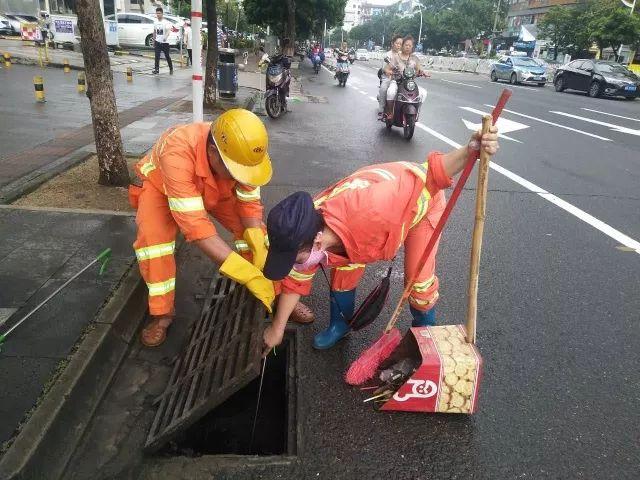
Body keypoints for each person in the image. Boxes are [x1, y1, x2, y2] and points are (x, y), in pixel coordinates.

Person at [260, 126, 500, 353]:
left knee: (419, 284)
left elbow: (432, 174)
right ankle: (340, 326)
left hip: (419, 207)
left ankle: (423, 343)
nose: (295, 264)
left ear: (318, 242)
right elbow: (297, 279)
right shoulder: (305, 221)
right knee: (344, 271)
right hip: (357, 229)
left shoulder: (377, 208)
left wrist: (470, 150)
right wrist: (276, 329)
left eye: (296, 258)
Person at [128, 110, 275, 347]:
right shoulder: (177, 153)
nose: (242, 177)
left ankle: (275, 291)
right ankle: (162, 315)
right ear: (213, 152)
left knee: (260, 236)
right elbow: (197, 228)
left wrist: (256, 238)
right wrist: (245, 274)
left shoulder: (243, 150)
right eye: (237, 172)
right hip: (163, 188)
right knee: (153, 244)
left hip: (215, 183)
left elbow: (249, 203)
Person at [384, 35, 428, 119]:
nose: (408, 47)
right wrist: (390, 72)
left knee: (423, 93)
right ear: (402, 46)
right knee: (391, 92)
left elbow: (419, 69)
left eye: (410, 45)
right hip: (397, 82)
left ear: (412, 47)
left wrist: (423, 73)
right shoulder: (396, 58)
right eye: (406, 45)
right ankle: (390, 112)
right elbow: (387, 69)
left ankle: (416, 112)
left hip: (410, 84)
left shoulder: (414, 58)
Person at [378, 35, 403, 118]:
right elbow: (384, 69)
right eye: (397, 43)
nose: (399, 45)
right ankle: (381, 109)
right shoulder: (388, 55)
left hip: (401, 77)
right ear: (392, 43)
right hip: (388, 77)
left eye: (400, 44)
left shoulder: (403, 55)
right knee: (383, 88)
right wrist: (388, 71)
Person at [152, 7, 173, 75]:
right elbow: (154, 31)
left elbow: (168, 31)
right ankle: (156, 69)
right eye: (157, 13)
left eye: (159, 13)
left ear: (162, 14)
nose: (158, 14)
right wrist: (154, 41)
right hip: (158, 42)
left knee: (167, 56)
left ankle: (171, 68)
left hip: (165, 43)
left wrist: (165, 37)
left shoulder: (165, 22)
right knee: (157, 56)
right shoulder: (155, 22)